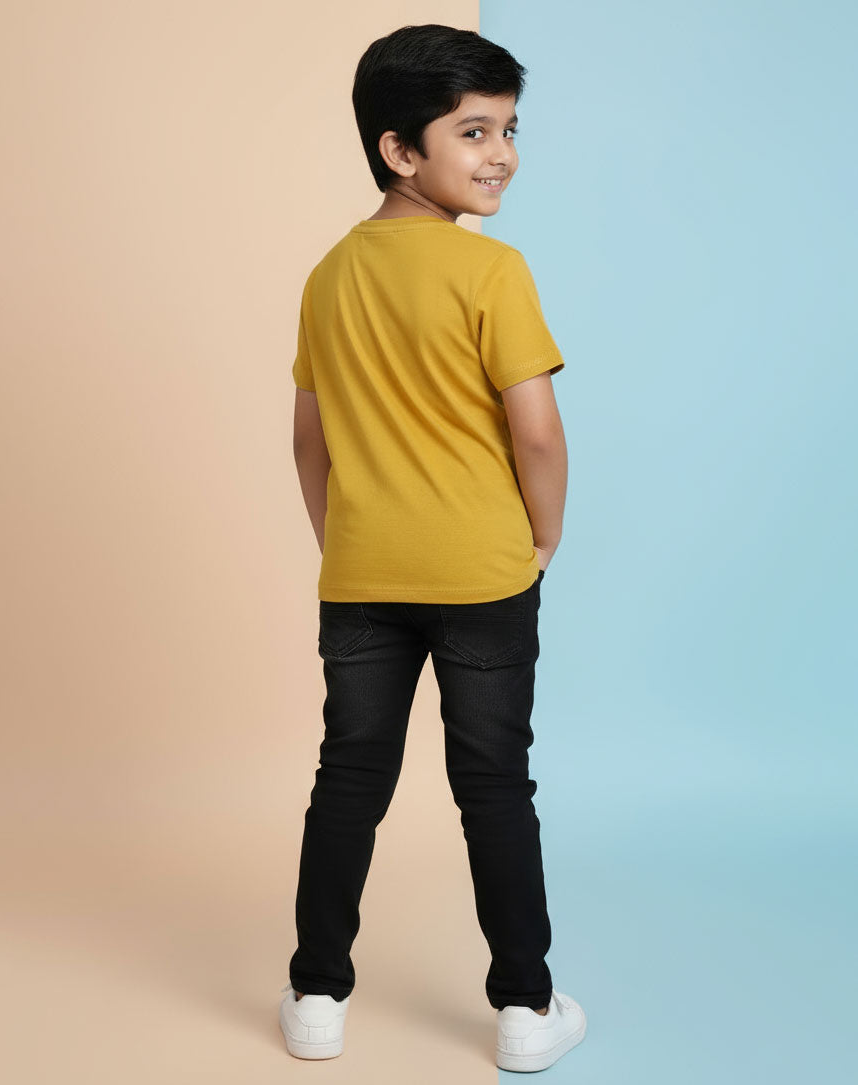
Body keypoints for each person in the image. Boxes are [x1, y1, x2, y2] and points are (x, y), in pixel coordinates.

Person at [279, 23, 587, 1073]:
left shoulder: (328, 276)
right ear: (399, 150)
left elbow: (309, 439)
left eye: (509, 129)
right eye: (474, 131)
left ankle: (316, 992)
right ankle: (525, 1007)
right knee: (494, 784)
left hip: (361, 574)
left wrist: (343, 542)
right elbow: (536, 432)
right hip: (483, 576)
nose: (502, 154)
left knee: (348, 778)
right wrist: (544, 532)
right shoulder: (492, 271)